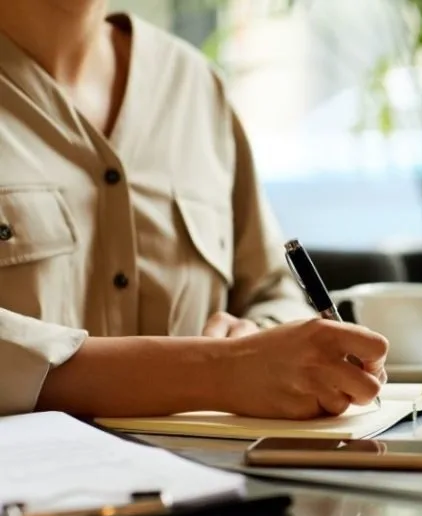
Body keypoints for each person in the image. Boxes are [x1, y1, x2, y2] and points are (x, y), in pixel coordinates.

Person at [0, 1, 388, 420]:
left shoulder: (195, 87)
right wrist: (220, 371)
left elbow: (270, 290)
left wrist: (256, 336)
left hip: (220, 479)